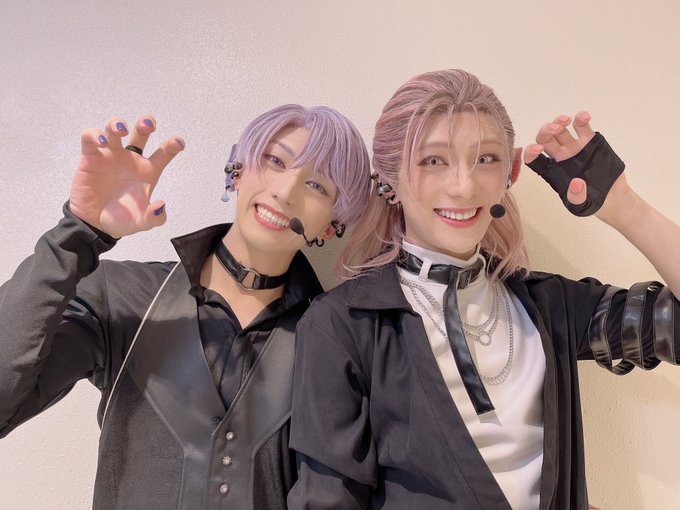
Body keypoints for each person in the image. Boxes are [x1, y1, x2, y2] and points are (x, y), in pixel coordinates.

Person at [287, 69, 680, 509]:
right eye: (433, 160)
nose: (464, 186)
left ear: (511, 172)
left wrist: (625, 207)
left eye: (486, 158)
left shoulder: (548, 305)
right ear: (389, 179)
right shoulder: (342, 326)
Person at [0, 104, 371, 509]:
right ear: (238, 171)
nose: (285, 191)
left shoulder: (336, 344)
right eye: (275, 161)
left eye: (317, 185)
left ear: (331, 224)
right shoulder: (122, 295)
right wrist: (78, 232)